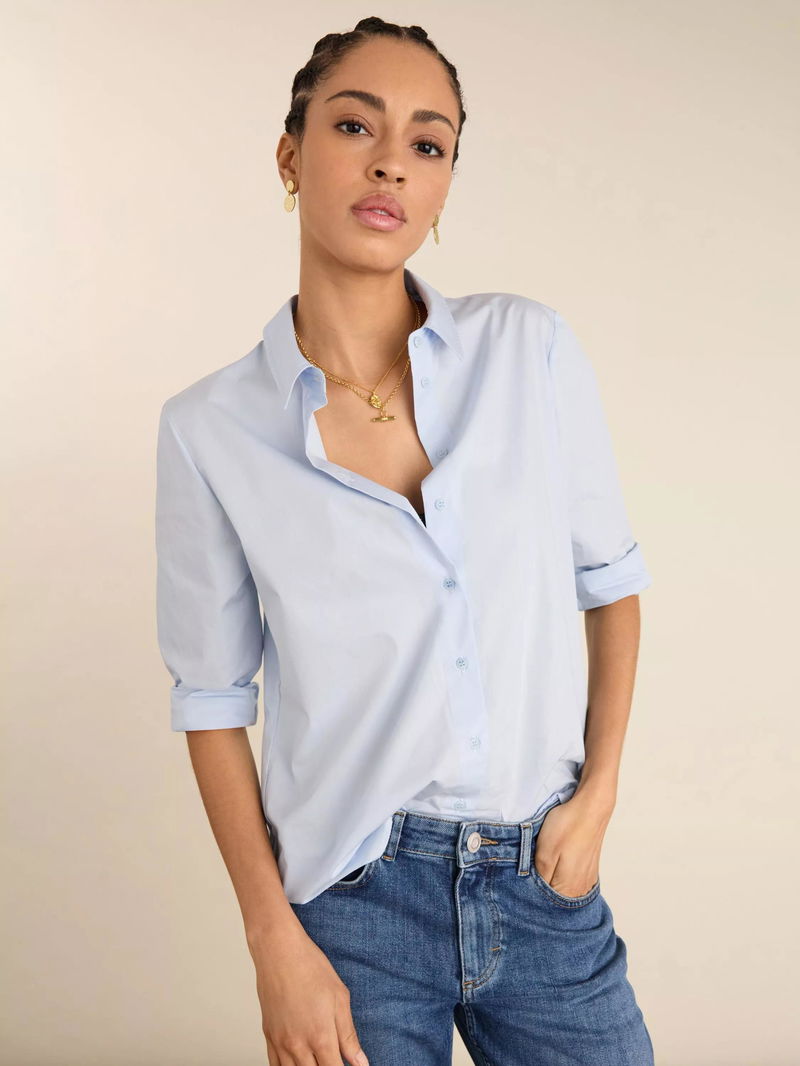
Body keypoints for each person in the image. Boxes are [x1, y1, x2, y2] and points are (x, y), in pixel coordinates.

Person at [155, 16, 656, 1066]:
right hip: (353, 904)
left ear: (441, 189)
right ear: (290, 156)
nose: (391, 161)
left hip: (541, 876)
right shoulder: (211, 429)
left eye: (428, 143)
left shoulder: (528, 350)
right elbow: (212, 700)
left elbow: (609, 582)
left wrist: (597, 797)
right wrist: (272, 941)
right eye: (355, 125)